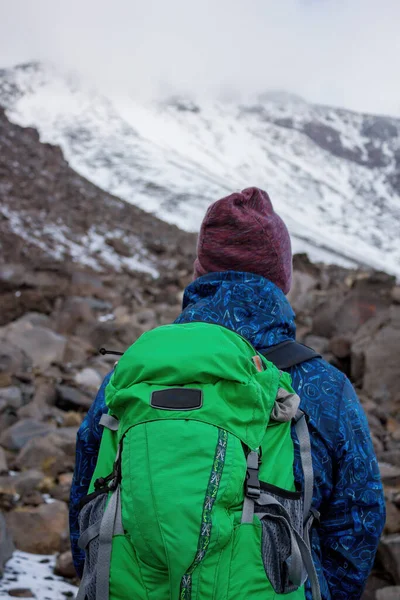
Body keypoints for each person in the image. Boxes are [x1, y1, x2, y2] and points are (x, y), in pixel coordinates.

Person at [70, 186, 385, 600]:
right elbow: (359, 520)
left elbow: (85, 507)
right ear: (281, 278)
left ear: (200, 272)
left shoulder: (129, 378)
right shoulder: (322, 386)